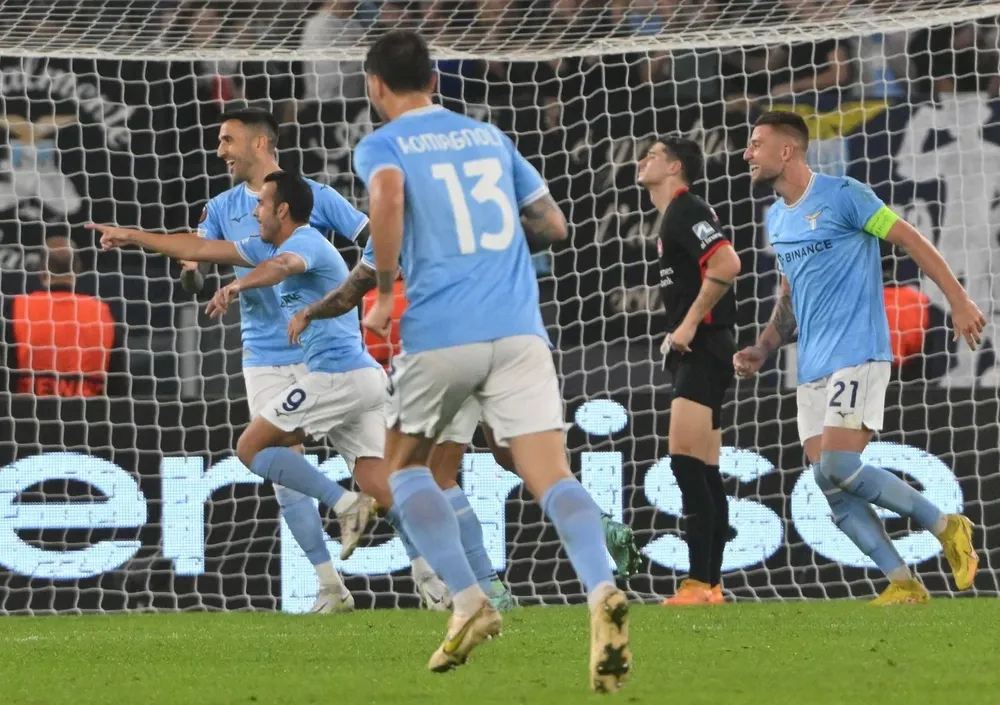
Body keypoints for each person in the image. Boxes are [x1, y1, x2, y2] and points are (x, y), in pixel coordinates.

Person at [354, 29, 631, 690]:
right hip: (519, 330)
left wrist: (388, 291)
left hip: (441, 331)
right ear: (436, 81)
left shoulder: (383, 143)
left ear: (375, 87)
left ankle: (469, 598)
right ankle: (601, 587)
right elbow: (555, 226)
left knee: (404, 470)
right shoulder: (490, 137)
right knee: (552, 475)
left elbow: (389, 199)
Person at [88, 106, 373, 614]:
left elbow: (365, 242)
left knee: (369, 466)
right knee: (281, 469)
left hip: (325, 354)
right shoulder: (221, 207)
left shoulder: (309, 199)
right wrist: (190, 270)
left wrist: (358, 290)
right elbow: (198, 262)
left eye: (227, 140)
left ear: (260, 144)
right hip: (265, 353)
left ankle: (427, 570)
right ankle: (330, 585)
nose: (219, 150)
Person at [287, 239, 644, 612]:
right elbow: (552, 227)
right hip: (516, 337)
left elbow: (350, 298)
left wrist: (310, 312)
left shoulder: (398, 224)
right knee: (526, 461)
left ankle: (487, 585)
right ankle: (601, 527)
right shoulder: (479, 213)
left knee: (433, 475)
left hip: (455, 345)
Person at [737, 111, 983, 605]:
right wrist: (763, 347)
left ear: (787, 151)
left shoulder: (844, 194)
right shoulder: (778, 219)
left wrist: (958, 300)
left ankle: (946, 524)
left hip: (859, 352)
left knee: (841, 465)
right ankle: (903, 583)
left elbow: (911, 240)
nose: (747, 153)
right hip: (812, 366)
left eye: (756, 143)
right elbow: (789, 298)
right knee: (829, 485)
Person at [636, 136, 741, 606]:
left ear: (675, 166)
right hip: (704, 347)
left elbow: (727, 261)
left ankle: (698, 583)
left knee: (683, 462)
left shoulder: (685, 208)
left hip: (704, 347)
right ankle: (711, 584)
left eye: (653, 155)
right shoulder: (674, 216)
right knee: (705, 468)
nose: (643, 160)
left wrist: (688, 325)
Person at [2, 235, 127, 397]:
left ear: (41, 269)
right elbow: (118, 383)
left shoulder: (17, 308)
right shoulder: (102, 313)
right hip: (91, 416)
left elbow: (5, 373)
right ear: (77, 267)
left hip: (29, 414)